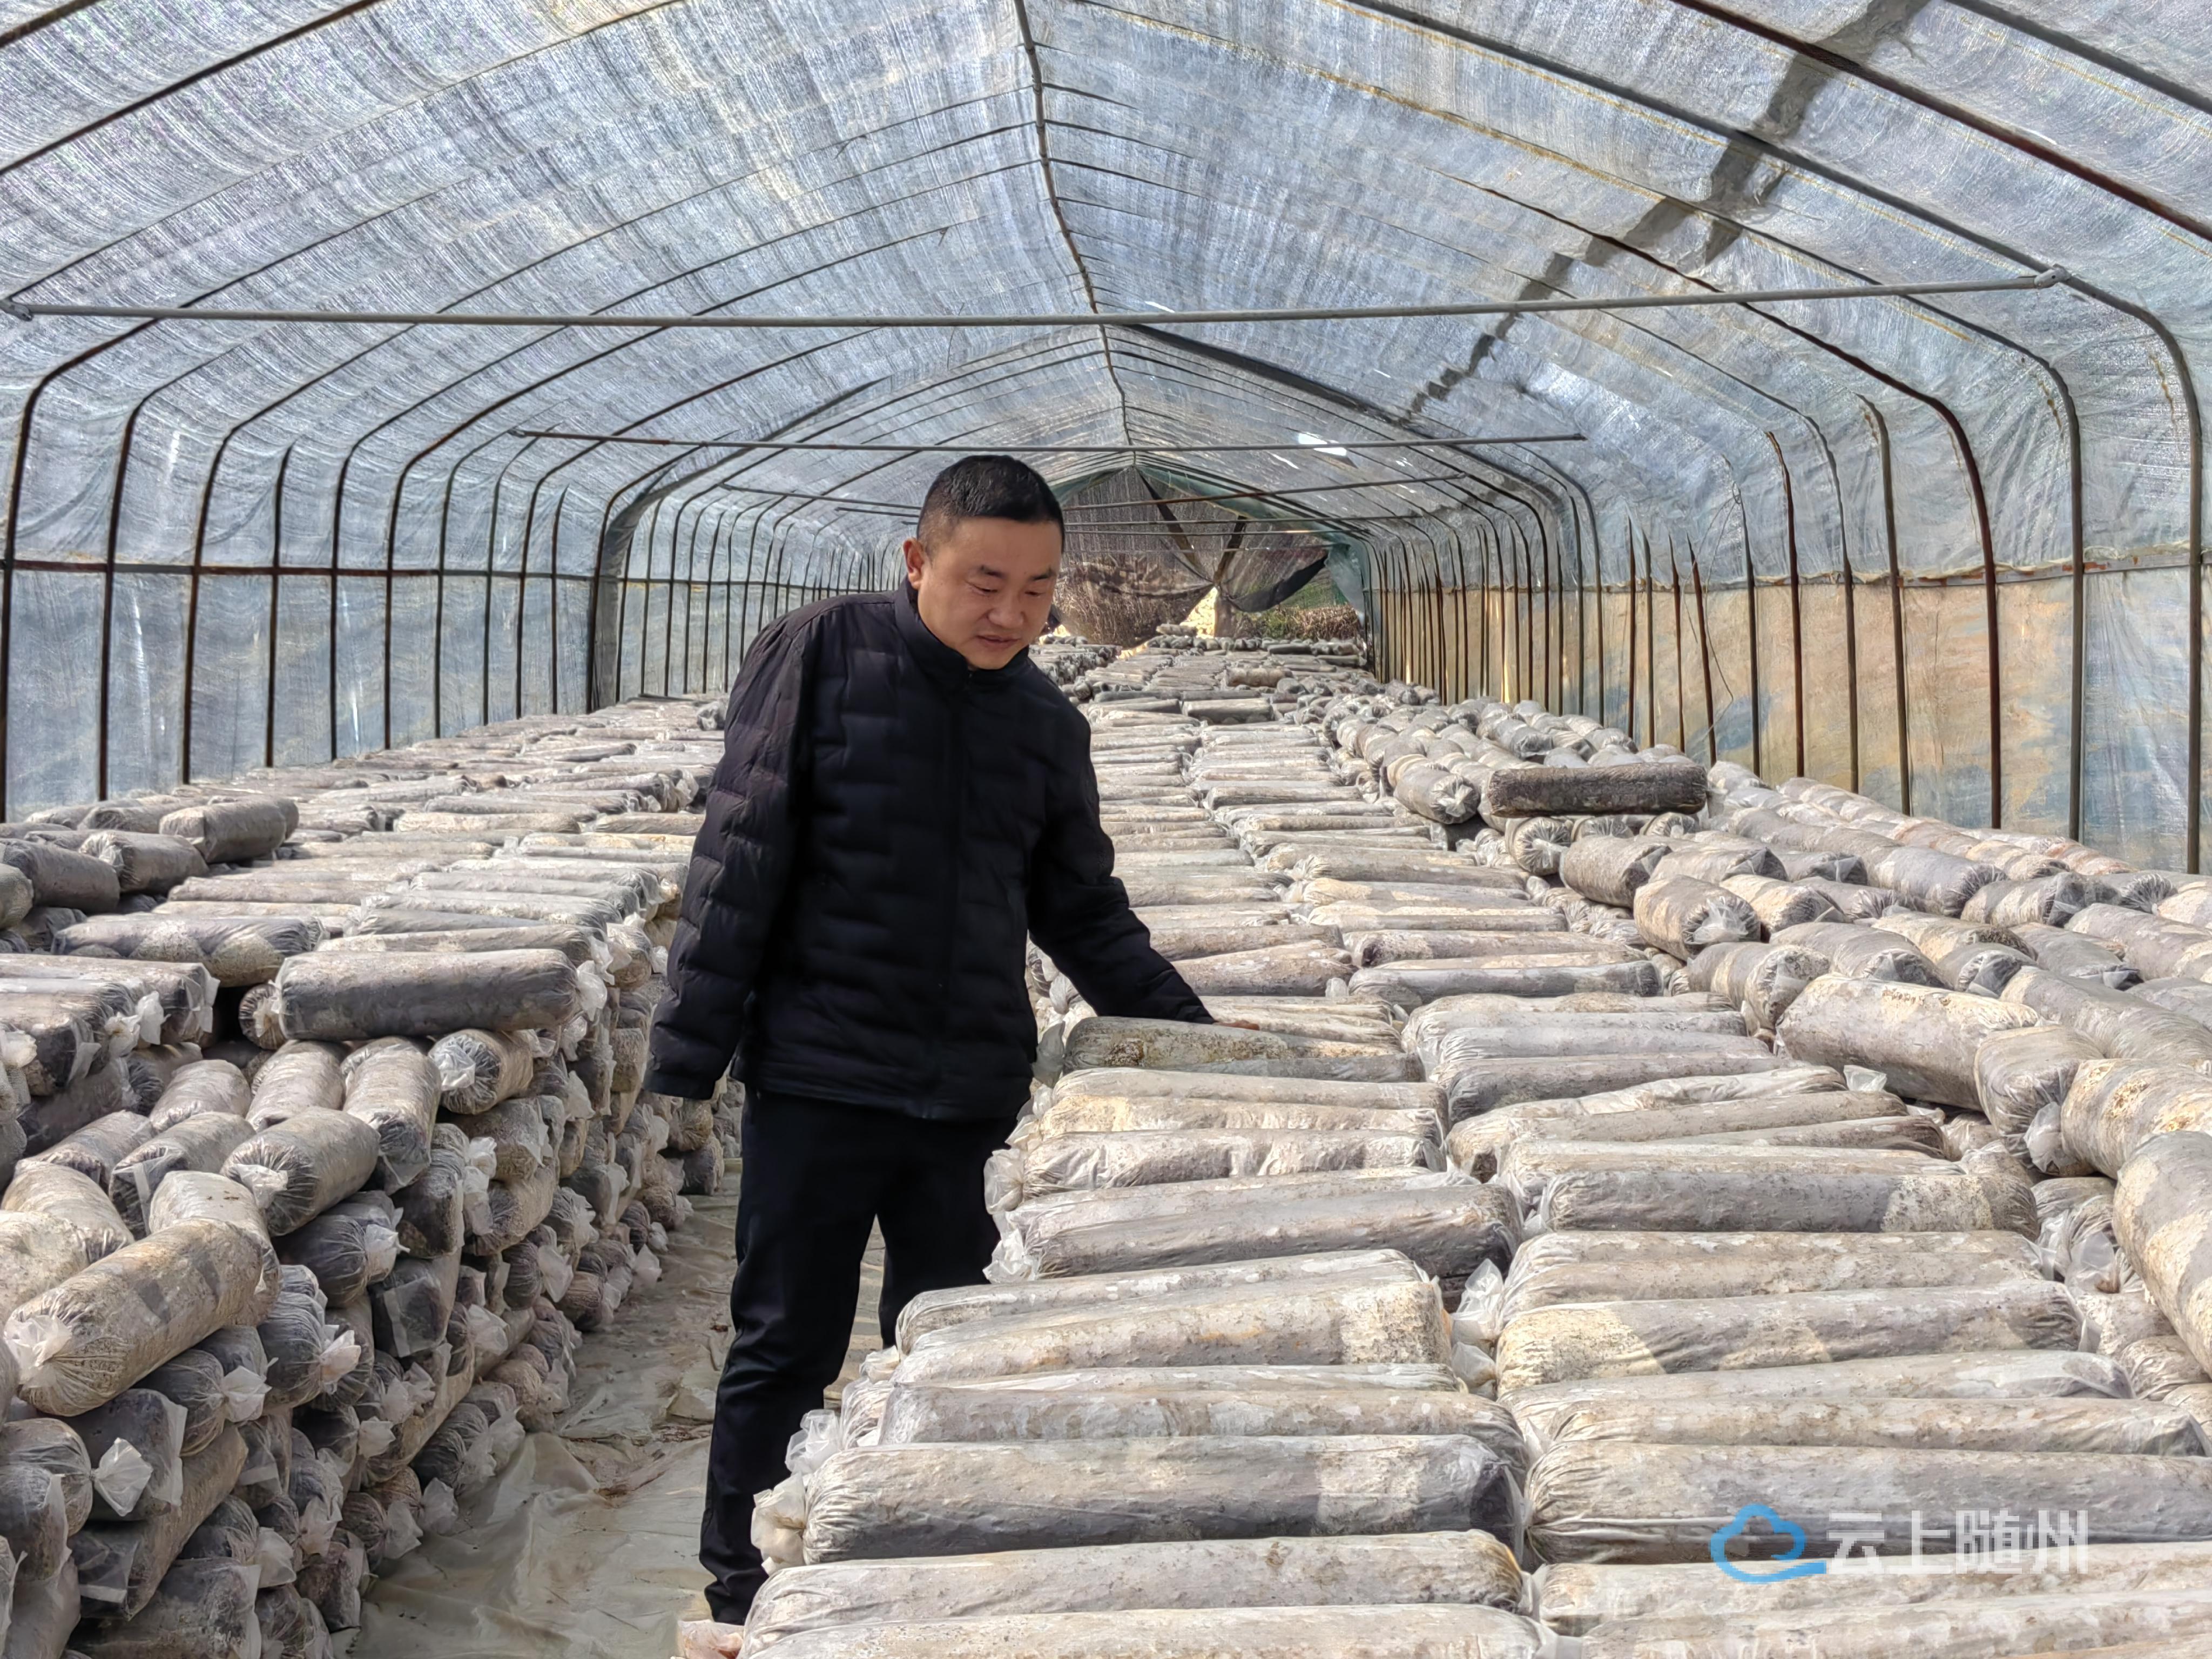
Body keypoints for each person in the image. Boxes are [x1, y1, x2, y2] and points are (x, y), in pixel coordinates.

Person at [643, 453, 1211, 1628]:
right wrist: (689, 1052)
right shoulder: (822, 653)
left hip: (969, 1093)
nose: (1011, 614)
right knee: (784, 1344)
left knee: (952, 1347)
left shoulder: (1046, 724)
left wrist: (1199, 1047)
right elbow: (741, 852)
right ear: (917, 561)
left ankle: (909, 1593)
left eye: (1037, 590)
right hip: (822, 1075)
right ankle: (745, 1595)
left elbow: (1082, 913)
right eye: (984, 583)